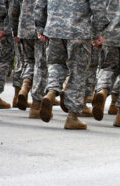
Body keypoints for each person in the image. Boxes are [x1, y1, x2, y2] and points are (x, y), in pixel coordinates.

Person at [35, 0, 109, 129]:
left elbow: (39, 5)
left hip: (54, 29)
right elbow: (98, 9)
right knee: (78, 72)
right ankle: (72, 116)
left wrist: (40, 27)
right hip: (78, 31)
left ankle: (51, 92)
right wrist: (99, 33)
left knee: (56, 64)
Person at [9, 0, 47, 118]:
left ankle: (24, 88)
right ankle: (36, 105)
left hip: (24, 28)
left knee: (29, 61)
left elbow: (14, 9)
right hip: (40, 29)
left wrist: (15, 30)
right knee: (41, 66)